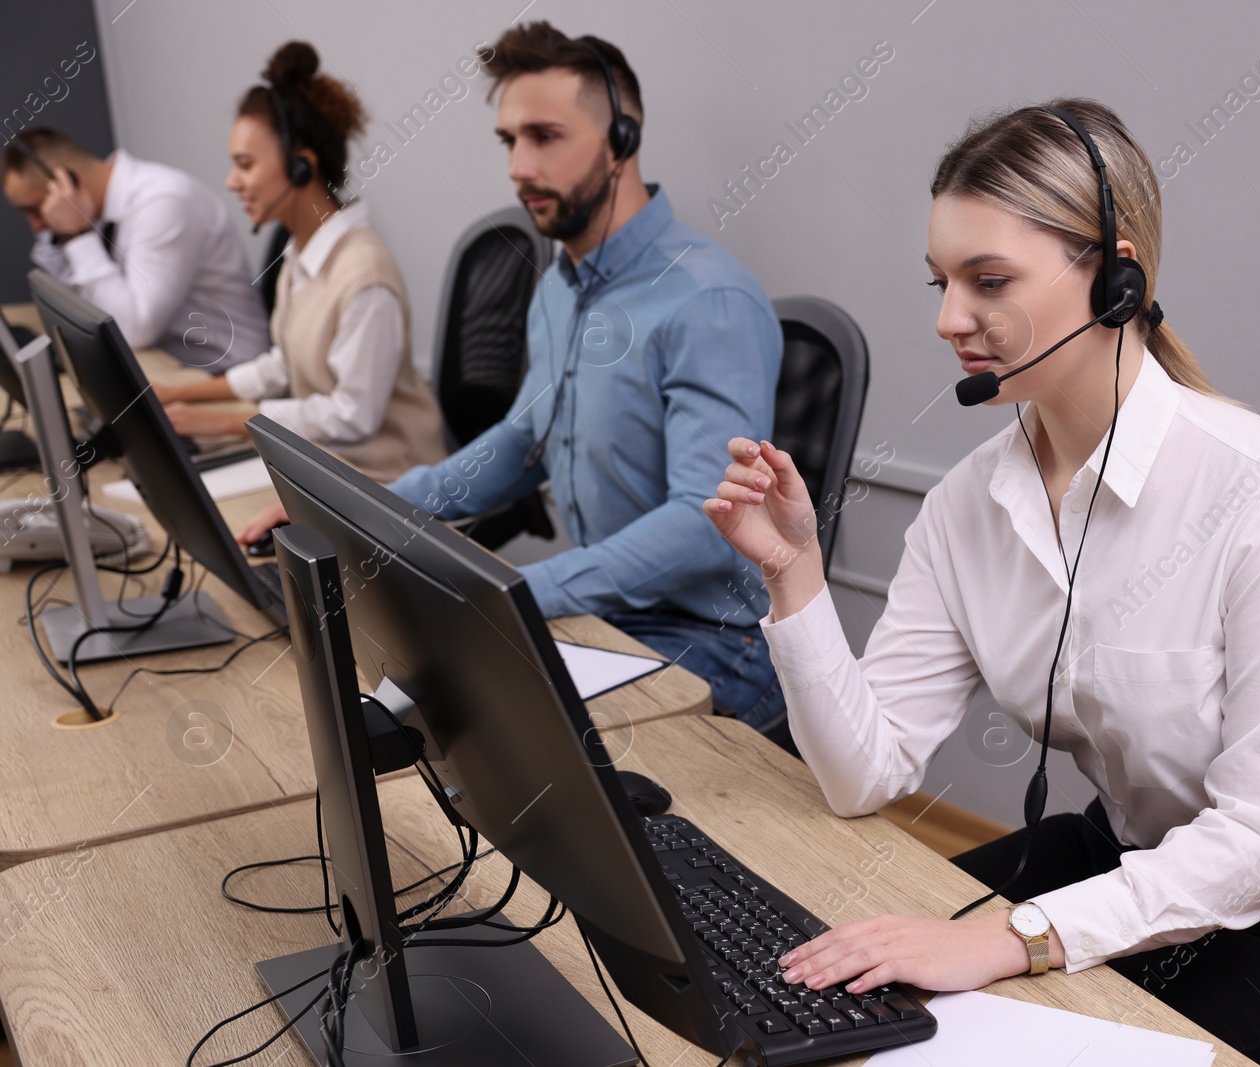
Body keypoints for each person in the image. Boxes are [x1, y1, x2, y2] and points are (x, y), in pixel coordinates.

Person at [704, 99, 1260, 1066]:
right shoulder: (969, 508)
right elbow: (861, 775)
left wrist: (1009, 940)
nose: (948, 318)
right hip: (1131, 861)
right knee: (843, 998)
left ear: (1116, 278)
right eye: (942, 281)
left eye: (988, 280)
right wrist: (793, 573)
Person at [241, 23, 785, 726]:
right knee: (391, 701)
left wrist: (514, 592)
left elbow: (703, 521)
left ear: (622, 137)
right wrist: (356, 512)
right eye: (509, 141)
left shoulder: (707, 300)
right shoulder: (561, 284)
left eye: (545, 137)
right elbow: (523, 439)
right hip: (616, 622)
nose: (519, 167)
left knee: (476, 736)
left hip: (714, 643)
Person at [154, 42, 447, 484]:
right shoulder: (301, 252)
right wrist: (179, 394)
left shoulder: (364, 276)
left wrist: (228, 423)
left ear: (300, 168)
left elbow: (352, 417)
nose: (232, 182)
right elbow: (283, 366)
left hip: (390, 484)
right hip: (330, 468)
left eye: (245, 165)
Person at [2, 127, 267, 371]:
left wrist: (77, 236)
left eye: (36, 208)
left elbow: (133, 331)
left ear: (68, 183)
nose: (36, 226)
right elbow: (78, 316)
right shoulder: (98, 213)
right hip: (165, 365)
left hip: (228, 376)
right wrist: (66, 240)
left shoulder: (163, 203)